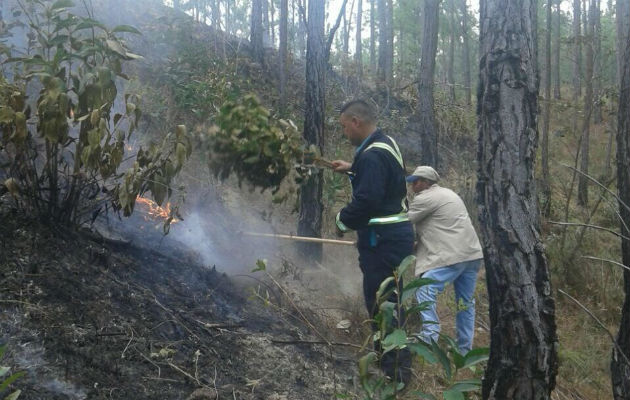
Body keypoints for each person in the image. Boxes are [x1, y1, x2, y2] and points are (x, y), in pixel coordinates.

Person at [332, 100, 414, 385]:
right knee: (388, 302)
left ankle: (395, 376)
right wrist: (352, 168)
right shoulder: (383, 143)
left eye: (344, 126)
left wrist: (341, 220)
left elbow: (368, 200)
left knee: (384, 306)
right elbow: (379, 176)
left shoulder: (371, 157)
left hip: (383, 242)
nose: (344, 132)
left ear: (356, 121)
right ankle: (390, 363)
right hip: (393, 239)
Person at [406, 166, 483, 354]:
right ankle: (464, 349)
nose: (412, 185)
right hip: (471, 255)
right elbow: (440, 228)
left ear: (426, 183)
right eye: (411, 181)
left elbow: (403, 222)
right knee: (465, 303)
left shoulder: (425, 198)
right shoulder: (449, 194)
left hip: (452, 256)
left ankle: (429, 335)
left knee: (424, 288)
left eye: (416, 181)